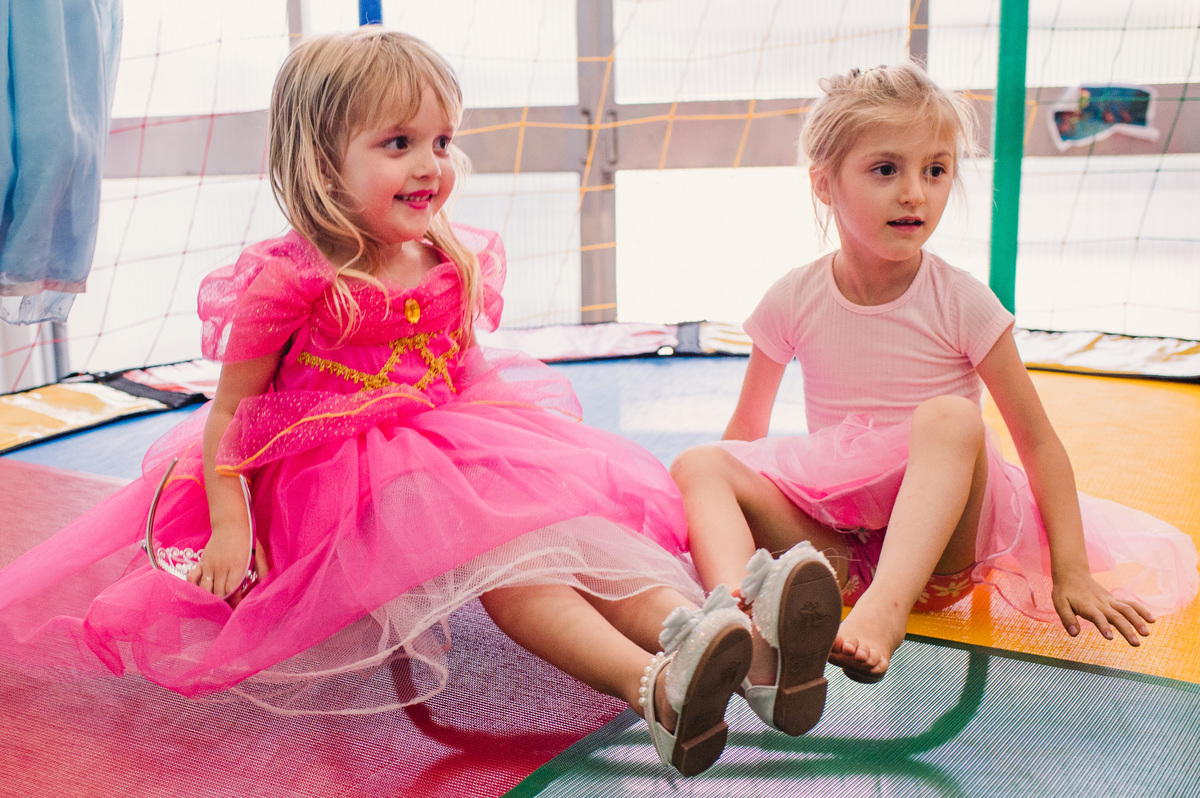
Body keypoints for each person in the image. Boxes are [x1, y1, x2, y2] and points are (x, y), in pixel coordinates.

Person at [0, 28, 755, 777]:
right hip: (325, 483)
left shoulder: (445, 257)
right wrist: (231, 521)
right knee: (513, 561)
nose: (430, 165)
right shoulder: (293, 278)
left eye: (441, 141)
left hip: (439, 450)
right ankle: (650, 686)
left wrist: (530, 452)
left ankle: (700, 634)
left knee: (566, 531)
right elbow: (231, 411)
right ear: (323, 161)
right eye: (399, 143)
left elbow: (463, 373)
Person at [671, 62, 1198, 689]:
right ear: (824, 183)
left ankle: (884, 612)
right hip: (836, 550)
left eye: (936, 170)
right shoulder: (793, 297)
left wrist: (1072, 568)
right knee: (700, 463)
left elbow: (1038, 441)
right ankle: (740, 624)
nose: (915, 194)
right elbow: (745, 440)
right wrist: (713, 525)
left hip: (935, 561)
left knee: (951, 417)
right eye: (885, 170)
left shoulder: (961, 301)